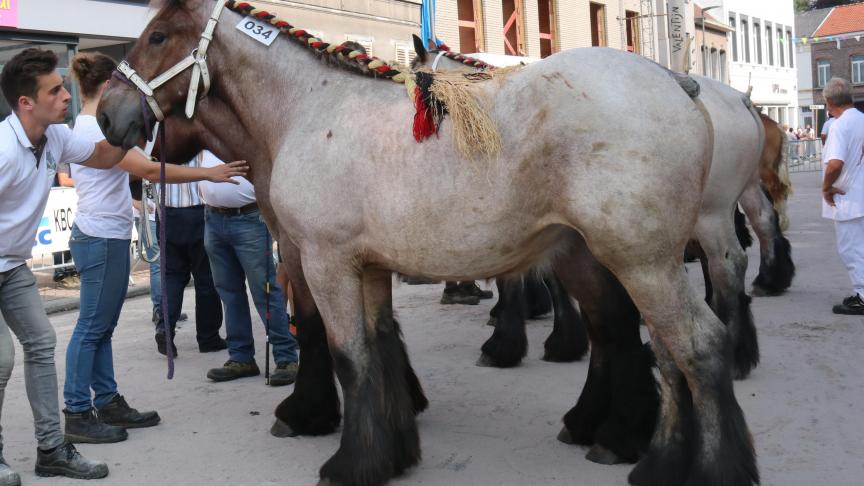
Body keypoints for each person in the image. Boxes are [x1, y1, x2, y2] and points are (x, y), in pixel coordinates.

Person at [64, 52, 248, 443]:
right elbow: (147, 170)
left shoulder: (93, 125)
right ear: (111, 85)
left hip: (106, 234)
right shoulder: (95, 130)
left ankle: (107, 399)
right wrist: (210, 171)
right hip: (101, 235)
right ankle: (78, 410)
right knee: (92, 328)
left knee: (102, 327)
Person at [0, 47, 130, 482]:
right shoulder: (3, 149)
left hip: (11, 266)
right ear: (26, 103)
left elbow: (107, 156)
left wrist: (137, 118)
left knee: (41, 342)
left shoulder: (54, 138)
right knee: (1, 360)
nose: (66, 98)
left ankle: (52, 450)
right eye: (54, 91)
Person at [197, 151, 299, 385]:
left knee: (264, 291)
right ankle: (241, 357)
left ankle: (285, 357)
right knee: (228, 292)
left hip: (250, 217)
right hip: (213, 217)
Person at [819, 77, 864, 315]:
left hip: (847, 197)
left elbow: (835, 163)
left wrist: (826, 187)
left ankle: (863, 295)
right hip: (861, 191)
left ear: (828, 102)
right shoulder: (861, 119)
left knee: (852, 249)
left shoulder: (838, 125)